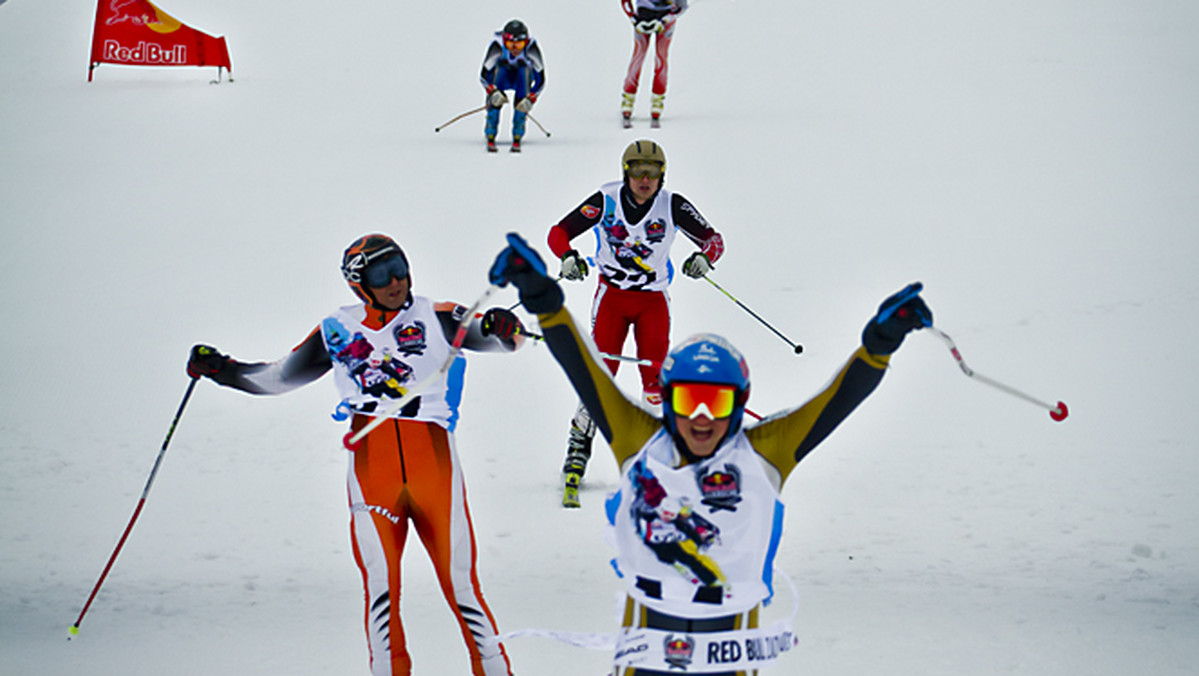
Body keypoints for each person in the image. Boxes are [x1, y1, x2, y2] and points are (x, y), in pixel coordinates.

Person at [489, 233, 932, 676]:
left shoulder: (764, 455)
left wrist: (880, 344)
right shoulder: (639, 442)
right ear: (666, 399)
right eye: (687, 401)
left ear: (740, 405)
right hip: (644, 661)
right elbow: (584, 370)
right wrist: (541, 297)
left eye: (717, 403)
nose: (701, 419)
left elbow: (837, 400)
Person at [186, 234, 523, 676]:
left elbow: (502, 339)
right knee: (382, 591)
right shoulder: (337, 330)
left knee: (461, 587)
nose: (396, 281)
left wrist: (502, 327)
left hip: (433, 463)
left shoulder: (438, 316)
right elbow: (276, 379)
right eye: (381, 274)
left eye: (400, 267)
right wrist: (224, 370)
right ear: (358, 283)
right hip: (371, 465)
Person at [547, 139, 724, 507]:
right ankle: (578, 449)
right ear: (625, 173)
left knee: (656, 381)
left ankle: (657, 458)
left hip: (652, 302)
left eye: (653, 173)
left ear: (662, 175)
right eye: (638, 172)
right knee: (600, 375)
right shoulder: (606, 199)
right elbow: (558, 232)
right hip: (612, 298)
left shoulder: (672, 204)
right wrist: (567, 257)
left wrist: (705, 258)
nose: (645, 180)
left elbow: (714, 239)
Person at [480, 18, 545, 153]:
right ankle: (490, 130)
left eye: (519, 45)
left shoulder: (531, 48)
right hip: (502, 77)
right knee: (500, 74)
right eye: (510, 45)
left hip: (521, 77)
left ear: (525, 42)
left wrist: (531, 98)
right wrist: (492, 92)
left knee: (523, 75)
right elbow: (484, 75)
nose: (515, 49)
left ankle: (518, 132)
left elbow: (541, 79)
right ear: (504, 41)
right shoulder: (497, 46)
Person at [620, 0, 688, 126]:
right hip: (642, 17)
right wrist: (633, 19)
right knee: (638, 56)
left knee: (661, 57)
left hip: (665, 19)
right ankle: (628, 98)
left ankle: (658, 99)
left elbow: (682, 6)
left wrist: (666, 20)